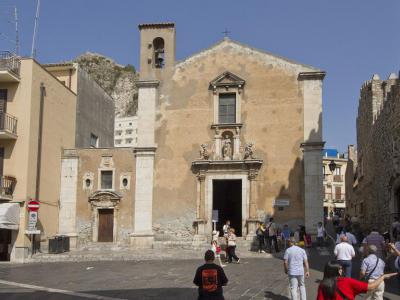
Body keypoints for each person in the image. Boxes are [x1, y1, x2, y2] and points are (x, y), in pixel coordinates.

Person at [317, 260, 397, 300]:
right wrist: (382, 277)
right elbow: (371, 287)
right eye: (340, 269)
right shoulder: (347, 281)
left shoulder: (323, 285)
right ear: (337, 270)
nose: (341, 270)